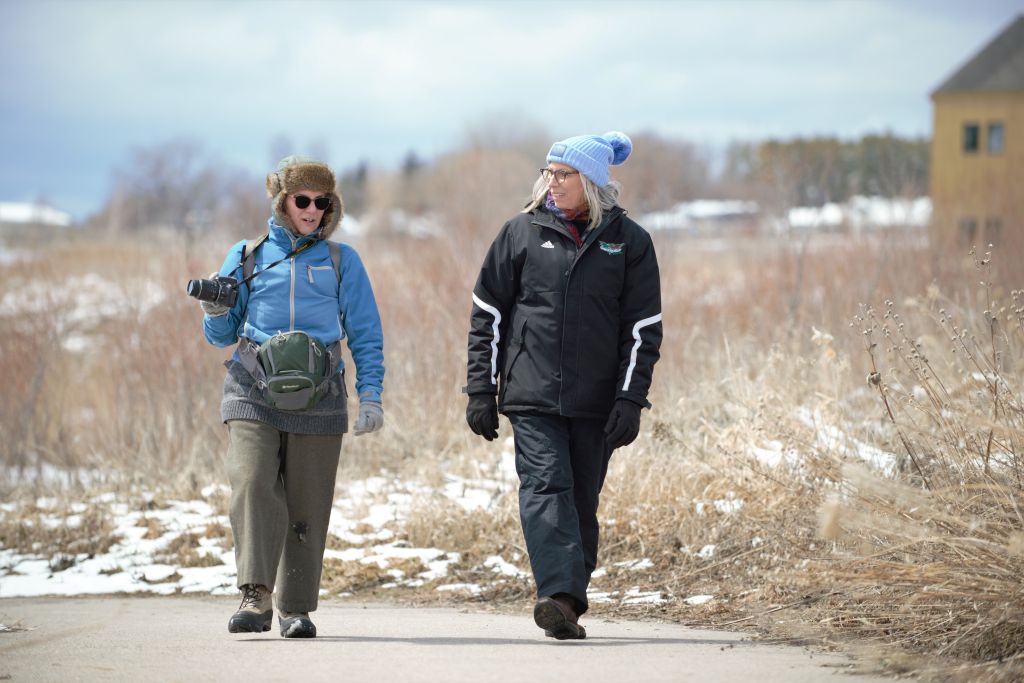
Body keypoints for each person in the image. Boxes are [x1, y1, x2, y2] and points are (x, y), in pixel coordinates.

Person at [465, 132, 662, 640]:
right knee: (545, 485)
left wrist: (629, 398)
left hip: (597, 401)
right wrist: (481, 391)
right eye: (548, 172)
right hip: (531, 393)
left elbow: (642, 329)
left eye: (562, 174)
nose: (551, 183)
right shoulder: (520, 232)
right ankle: (556, 595)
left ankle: (568, 602)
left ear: (590, 181)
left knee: (580, 501)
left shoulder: (630, 242)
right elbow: (487, 314)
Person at [199, 155, 385, 638]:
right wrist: (215, 308)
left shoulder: (344, 261)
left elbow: (365, 332)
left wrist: (370, 396)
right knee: (251, 480)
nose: (312, 210)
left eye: (322, 203)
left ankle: (295, 607)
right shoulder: (247, 254)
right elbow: (220, 335)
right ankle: (255, 595)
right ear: (282, 200)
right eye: (302, 200)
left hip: (320, 395)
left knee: (308, 503)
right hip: (251, 390)